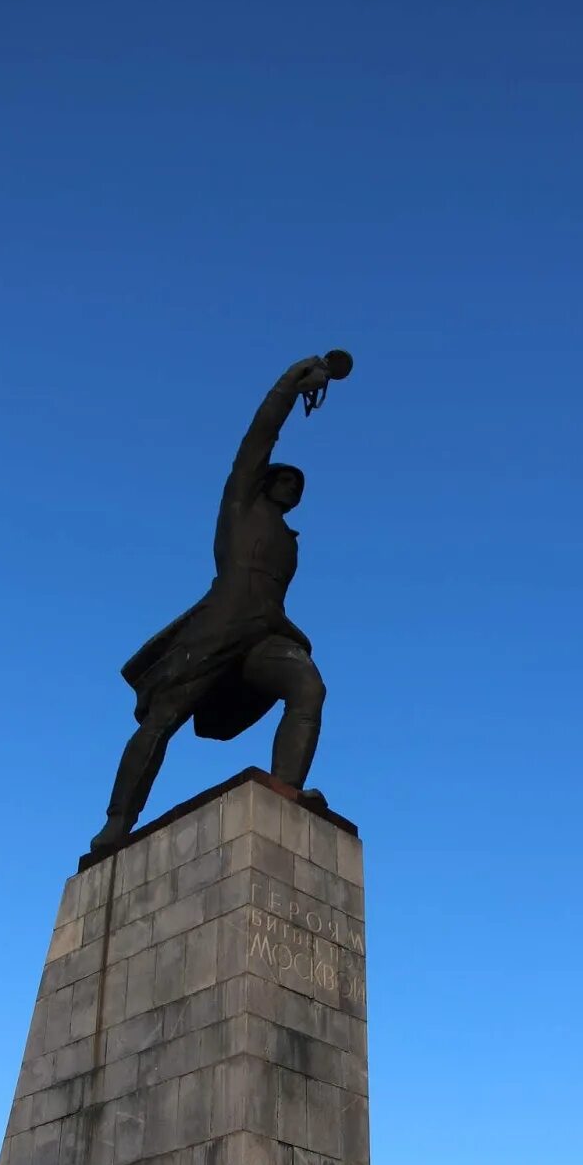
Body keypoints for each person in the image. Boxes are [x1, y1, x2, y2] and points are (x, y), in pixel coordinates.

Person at [88, 351, 352, 858]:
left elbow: (270, 596)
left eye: (299, 486)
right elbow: (259, 439)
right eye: (285, 479)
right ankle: (117, 822)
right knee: (163, 720)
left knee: (308, 688)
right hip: (220, 623)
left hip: (266, 631)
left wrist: (288, 630)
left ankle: (287, 792)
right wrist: (290, 386)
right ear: (266, 481)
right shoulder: (241, 506)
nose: (293, 487)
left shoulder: (289, 540)